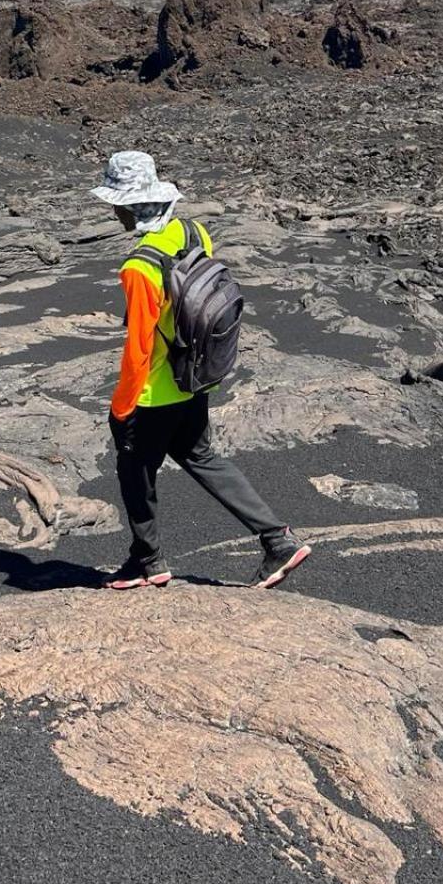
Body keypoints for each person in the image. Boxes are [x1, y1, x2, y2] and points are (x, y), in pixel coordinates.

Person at [92, 149, 311, 591]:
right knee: (201, 456)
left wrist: (121, 408)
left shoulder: (139, 267)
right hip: (193, 377)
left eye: (115, 204)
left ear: (128, 206)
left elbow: (138, 348)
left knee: (134, 471)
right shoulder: (193, 232)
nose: (113, 212)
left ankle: (147, 562)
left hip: (154, 393)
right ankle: (278, 540)